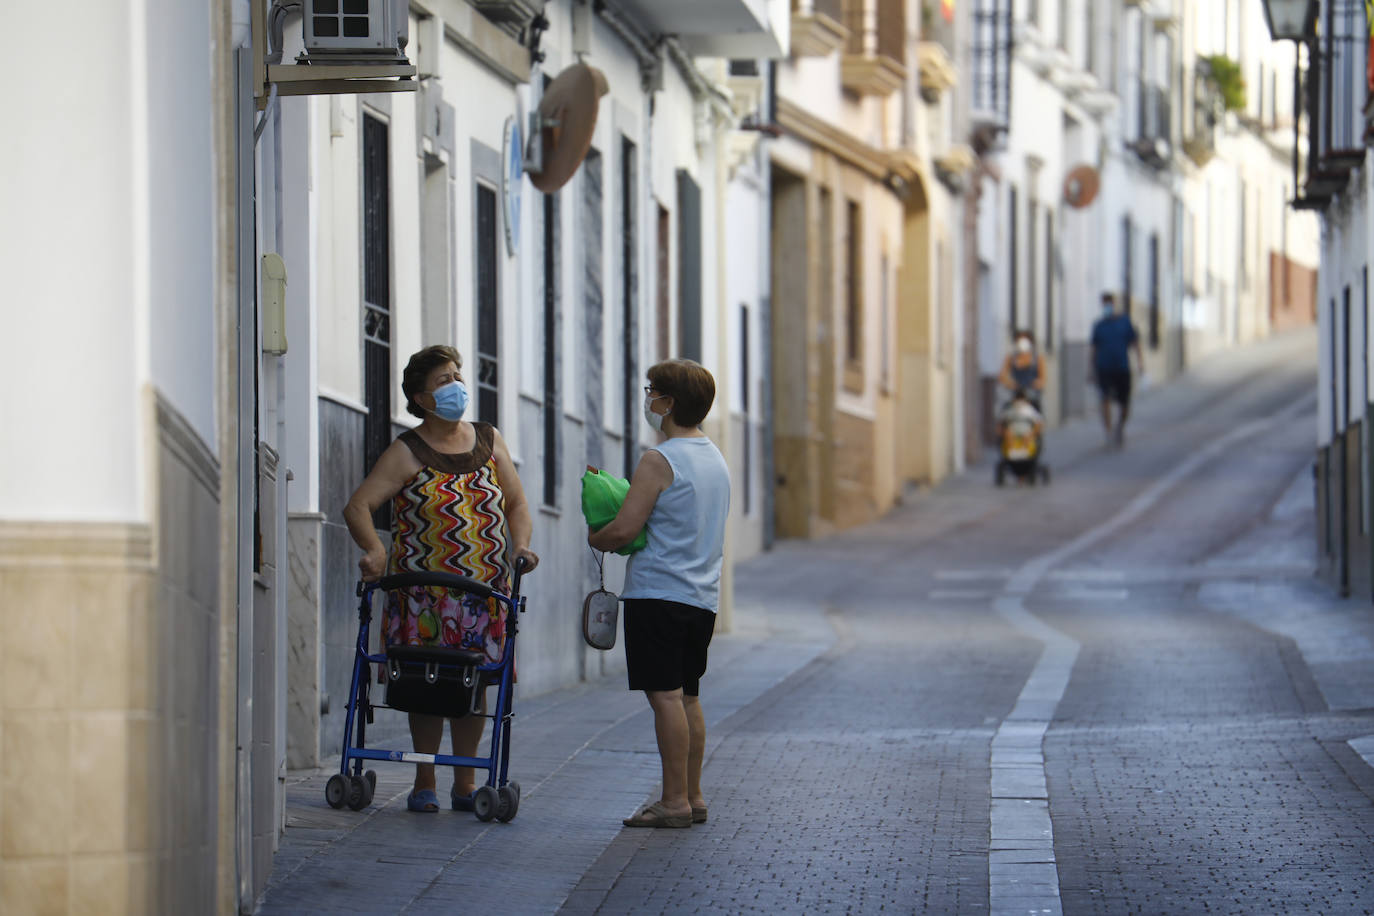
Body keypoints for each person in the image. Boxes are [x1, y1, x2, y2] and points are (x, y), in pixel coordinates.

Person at [343, 345, 539, 813]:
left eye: (457, 376)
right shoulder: (407, 451)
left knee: (473, 687)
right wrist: (375, 549)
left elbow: (516, 503)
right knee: (426, 685)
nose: (456, 386)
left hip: (484, 594)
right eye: (444, 381)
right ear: (421, 398)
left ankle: (466, 783)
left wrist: (521, 546)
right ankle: (424, 778)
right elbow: (358, 506)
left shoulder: (490, 440)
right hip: (422, 599)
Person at [587, 359, 731, 829]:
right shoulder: (715, 458)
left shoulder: (660, 459)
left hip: (659, 595)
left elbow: (626, 527)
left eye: (653, 391)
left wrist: (598, 536)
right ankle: (693, 795)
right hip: (701, 598)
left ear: (668, 402)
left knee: (665, 698)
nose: (649, 400)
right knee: (688, 696)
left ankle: (672, 802)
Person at [1090, 293, 1144, 447]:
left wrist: (1140, 364)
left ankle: (1120, 426)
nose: (1107, 307)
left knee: (1124, 404)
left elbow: (1135, 342)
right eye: (1104, 304)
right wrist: (1091, 370)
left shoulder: (1125, 322)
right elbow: (1094, 348)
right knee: (1104, 399)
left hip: (1122, 368)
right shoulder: (1099, 325)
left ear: (1114, 305)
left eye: (1109, 304)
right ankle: (1108, 433)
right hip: (1104, 368)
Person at [998, 329, 1047, 407]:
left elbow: (1043, 379)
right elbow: (1002, 376)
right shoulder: (1011, 358)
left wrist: (1035, 384)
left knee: (1038, 416)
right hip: (1014, 395)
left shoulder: (1037, 358)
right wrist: (1010, 384)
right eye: (1019, 340)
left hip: (1031, 396)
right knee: (1004, 414)